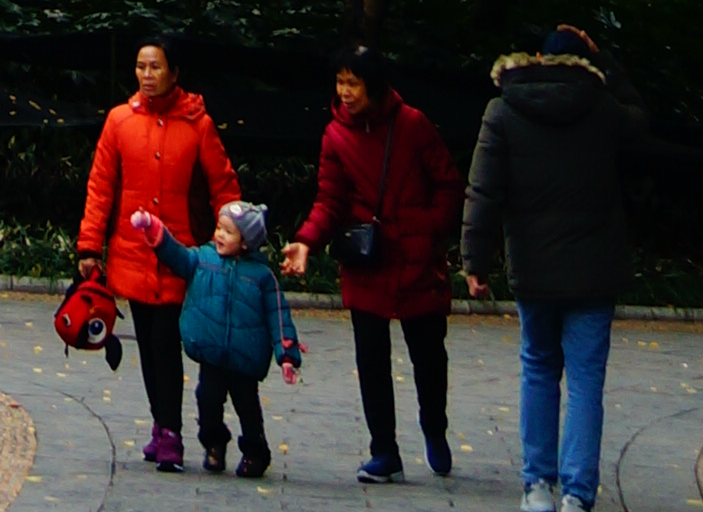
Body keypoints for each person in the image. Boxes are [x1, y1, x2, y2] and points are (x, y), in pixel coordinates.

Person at [459, 21, 648, 512]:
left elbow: (483, 190)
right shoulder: (604, 109)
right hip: (594, 270)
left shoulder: (502, 110)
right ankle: (578, 502)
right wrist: (605, 57)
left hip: (534, 269)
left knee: (538, 369)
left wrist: (475, 260)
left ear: (537, 60)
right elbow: (641, 122)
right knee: (586, 382)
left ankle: (537, 486)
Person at [288, 42, 459, 483]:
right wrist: (306, 241)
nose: (345, 91)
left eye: (354, 83)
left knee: (428, 356)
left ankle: (434, 429)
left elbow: (448, 185)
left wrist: (426, 227)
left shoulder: (413, 125)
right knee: (371, 359)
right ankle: (384, 449)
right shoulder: (336, 135)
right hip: (368, 258)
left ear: (374, 85)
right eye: (340, 82)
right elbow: (329, 200)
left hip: (418, 259)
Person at [80, 30, 239, 470]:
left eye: (155, 67)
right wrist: (91, 244)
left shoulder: (198, 124)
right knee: (148, 344)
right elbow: (101, 185)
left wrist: (234, 233)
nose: (147, 75)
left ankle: (170, 432)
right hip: (132, 253)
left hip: (180, 254)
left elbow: (223, 184)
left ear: (174, 73)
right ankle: (161, 425)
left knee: (167, 341)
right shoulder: (119, 120)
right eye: (140, 67)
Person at [136, 193, 303, 480]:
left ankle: (255, 452)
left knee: (248, 408)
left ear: (247, 241)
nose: (220, 235)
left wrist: (287, 355)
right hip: (212, 354)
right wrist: (157, 233)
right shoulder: (203, 259)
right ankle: (213, 443)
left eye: (228, 231)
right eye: (219, 229)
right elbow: (178, 256)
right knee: (207, 399)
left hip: (245, 359)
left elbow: (279, 316)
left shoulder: (262, 276)